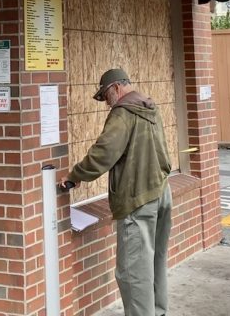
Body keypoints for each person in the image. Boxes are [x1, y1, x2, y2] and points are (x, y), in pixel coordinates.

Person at [61, 68, 172, 316]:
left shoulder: (123, 113)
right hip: (161, 191)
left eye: (105, 96)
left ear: (116, 88)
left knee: (132, 270)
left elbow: (104, 153)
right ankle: (157, 310)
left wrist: (74, 176)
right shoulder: (150, 107)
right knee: (154, 260)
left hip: (137, 198)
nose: (106, 103)